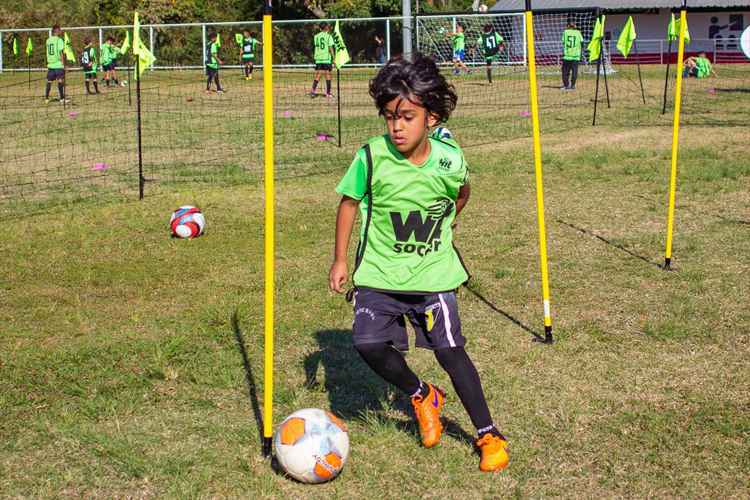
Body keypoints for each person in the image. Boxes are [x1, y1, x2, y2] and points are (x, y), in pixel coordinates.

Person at [328, 54, 509, 473]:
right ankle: (421, 394)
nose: (397, 126)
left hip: (432, 275)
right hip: (379, 273)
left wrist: (447, 222)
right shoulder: (372, 157)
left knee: (450, 352)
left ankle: (488, 433)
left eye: (407, 116)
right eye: (390, 117)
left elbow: (461, 193)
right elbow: (349, 203)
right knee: (367, 343)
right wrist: (340, 259)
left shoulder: (449, 160)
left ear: (430, 117)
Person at [44, 25, 69, 104]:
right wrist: (63, 64)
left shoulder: (48, 40)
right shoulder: (59, 40)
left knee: (49, 81)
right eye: (60, 30)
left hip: (50, 64)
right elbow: (61, 52)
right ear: (56, 31)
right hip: (58, 64)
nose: (61, 31)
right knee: (61, 81)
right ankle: (62, 99)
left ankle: (47, 98)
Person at [310, 23, 335, 98]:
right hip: (326, 58)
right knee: (328, 75)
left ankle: (313, 91)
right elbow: (330, 48)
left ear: (320, 29)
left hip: (318, 58)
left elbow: (317, 46)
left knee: (318, 75)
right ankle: (328, 93)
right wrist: (333, 58)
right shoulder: (329, 36)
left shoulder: (316, 37)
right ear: (327, 28)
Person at [561, 22, 583, 90]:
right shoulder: (578, 32)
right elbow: (581, 41)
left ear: (568, 26)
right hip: (576, 56)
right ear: (575, 26)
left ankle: (566, 85)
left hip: (567, 55)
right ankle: (573, 85)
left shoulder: (565, 32)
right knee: (574, 71)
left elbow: (563, 41)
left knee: (565, 72)